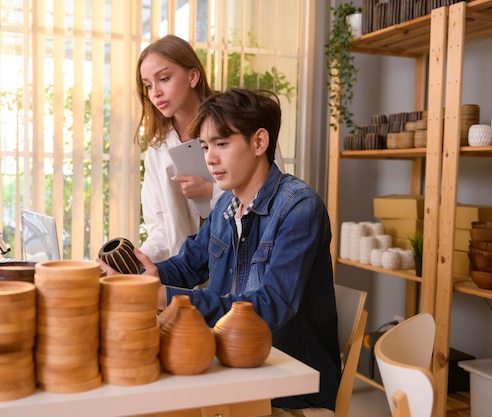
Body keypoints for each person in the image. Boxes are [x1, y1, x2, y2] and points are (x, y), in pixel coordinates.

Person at [104, 88, 341, 416]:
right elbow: (189, 265)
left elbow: (271, 306)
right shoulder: (227, 205)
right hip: (233, 369)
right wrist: (144, 275)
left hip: (287, 387)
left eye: (221, 144)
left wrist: (165, 298)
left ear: (259, 142)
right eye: (204, 146)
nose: (210, 159)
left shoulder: (299, 208)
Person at [134, 34, 219, 262]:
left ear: (193, 76)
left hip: (235, 273)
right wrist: (138, 260)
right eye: (148, 85)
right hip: (185, 276)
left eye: (164, 78)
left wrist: (212, 192)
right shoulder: (158, 149)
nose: (155, 92)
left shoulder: (237, 123)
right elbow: (160, 227)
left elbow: (271, 195)